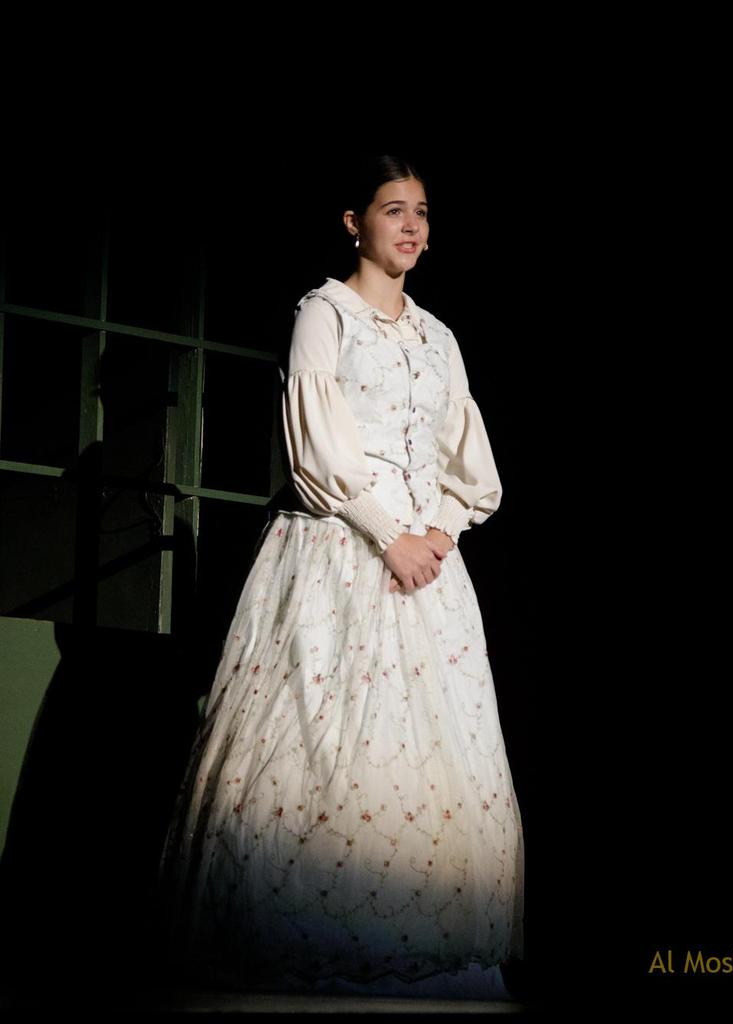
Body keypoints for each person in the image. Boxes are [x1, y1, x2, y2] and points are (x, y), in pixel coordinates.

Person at [156, 154, 525, 1002]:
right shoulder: (324, 314)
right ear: (355, 222)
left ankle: (430, 953)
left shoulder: (439, 337)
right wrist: (389, 536)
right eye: (394, 209)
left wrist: (439, 533)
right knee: (319, 747)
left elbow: (467, 463)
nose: (412, 226)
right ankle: (293, 952)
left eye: (422, 211)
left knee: (430, 756)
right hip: (340, 552)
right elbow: (315, 452)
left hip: (430, 567)